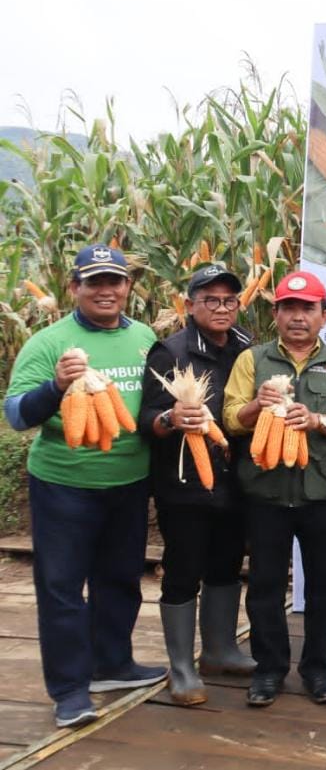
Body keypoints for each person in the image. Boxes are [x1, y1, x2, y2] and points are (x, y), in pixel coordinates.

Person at [3, 244, 165, 728]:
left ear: (128, 287)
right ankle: (70, 690)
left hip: (129, 482)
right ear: (75, 287)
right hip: (64, 485)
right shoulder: (50, 343)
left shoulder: (143, 337)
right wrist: (55, 387)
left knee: (120, 580)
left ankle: (112, 664)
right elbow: (17, 415)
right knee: (62, 589)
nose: (105, 290)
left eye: (114, 281)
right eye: (94, 282)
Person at [222, 270, 326, 707]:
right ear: (276, 314)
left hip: (321, 492)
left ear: (325, 315)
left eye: (307, 308)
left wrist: (318, 420)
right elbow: (230, 417)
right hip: (265, 493)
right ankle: (269, 670)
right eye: (289, 308)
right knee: (265, 585)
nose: (298, 317)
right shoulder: (252, 360)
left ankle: (317, 667)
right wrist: (256, 406)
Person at [138, 263, 256, 707]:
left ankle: (220, 650)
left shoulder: (246, 346)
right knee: (184, 570)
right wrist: (171, 418)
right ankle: (182, 667)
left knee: (227, 564)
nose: (221, 308)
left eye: (229, 300)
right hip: (184, 484)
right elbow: (146, 419)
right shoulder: (170, 352)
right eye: (210, 300)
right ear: (190, 305)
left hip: (234, 479)